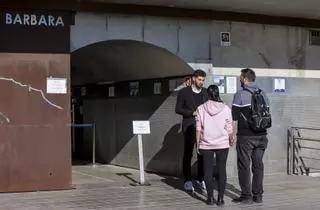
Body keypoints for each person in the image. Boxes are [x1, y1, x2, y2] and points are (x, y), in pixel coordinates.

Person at [231, 68, 270, 204]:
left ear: (246, 79)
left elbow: (234, 118)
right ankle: (258, 196)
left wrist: (232, 135)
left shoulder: (240, 94)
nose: (239, 80)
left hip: (245, 137)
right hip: (262, 136)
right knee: (258, 165)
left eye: (241, 78)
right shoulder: (263, 94)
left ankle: (246, 196)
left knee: (244, 166)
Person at [195, 85, 233, 206]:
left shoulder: (200, 108)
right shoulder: (226, 108)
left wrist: (197, 144)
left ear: (207, 94)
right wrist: (231, 137)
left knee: (207, 171)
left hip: (206, 144)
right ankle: (220, 199)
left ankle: (210, 198)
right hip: (222, 143)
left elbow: (198, 129)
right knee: (221, 170)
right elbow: (229, 126)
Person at [175, 69, 209, 192]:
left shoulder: (206, 92)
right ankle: (188, 180)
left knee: (202, 154)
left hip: (204, 128)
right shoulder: (184, 92)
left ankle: (201, 178)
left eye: (203, 80)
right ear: (194, 79)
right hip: (189, 126)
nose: (201, 82)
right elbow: (178, 109)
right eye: (199, 79)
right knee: (188, 154)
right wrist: (191, 113)